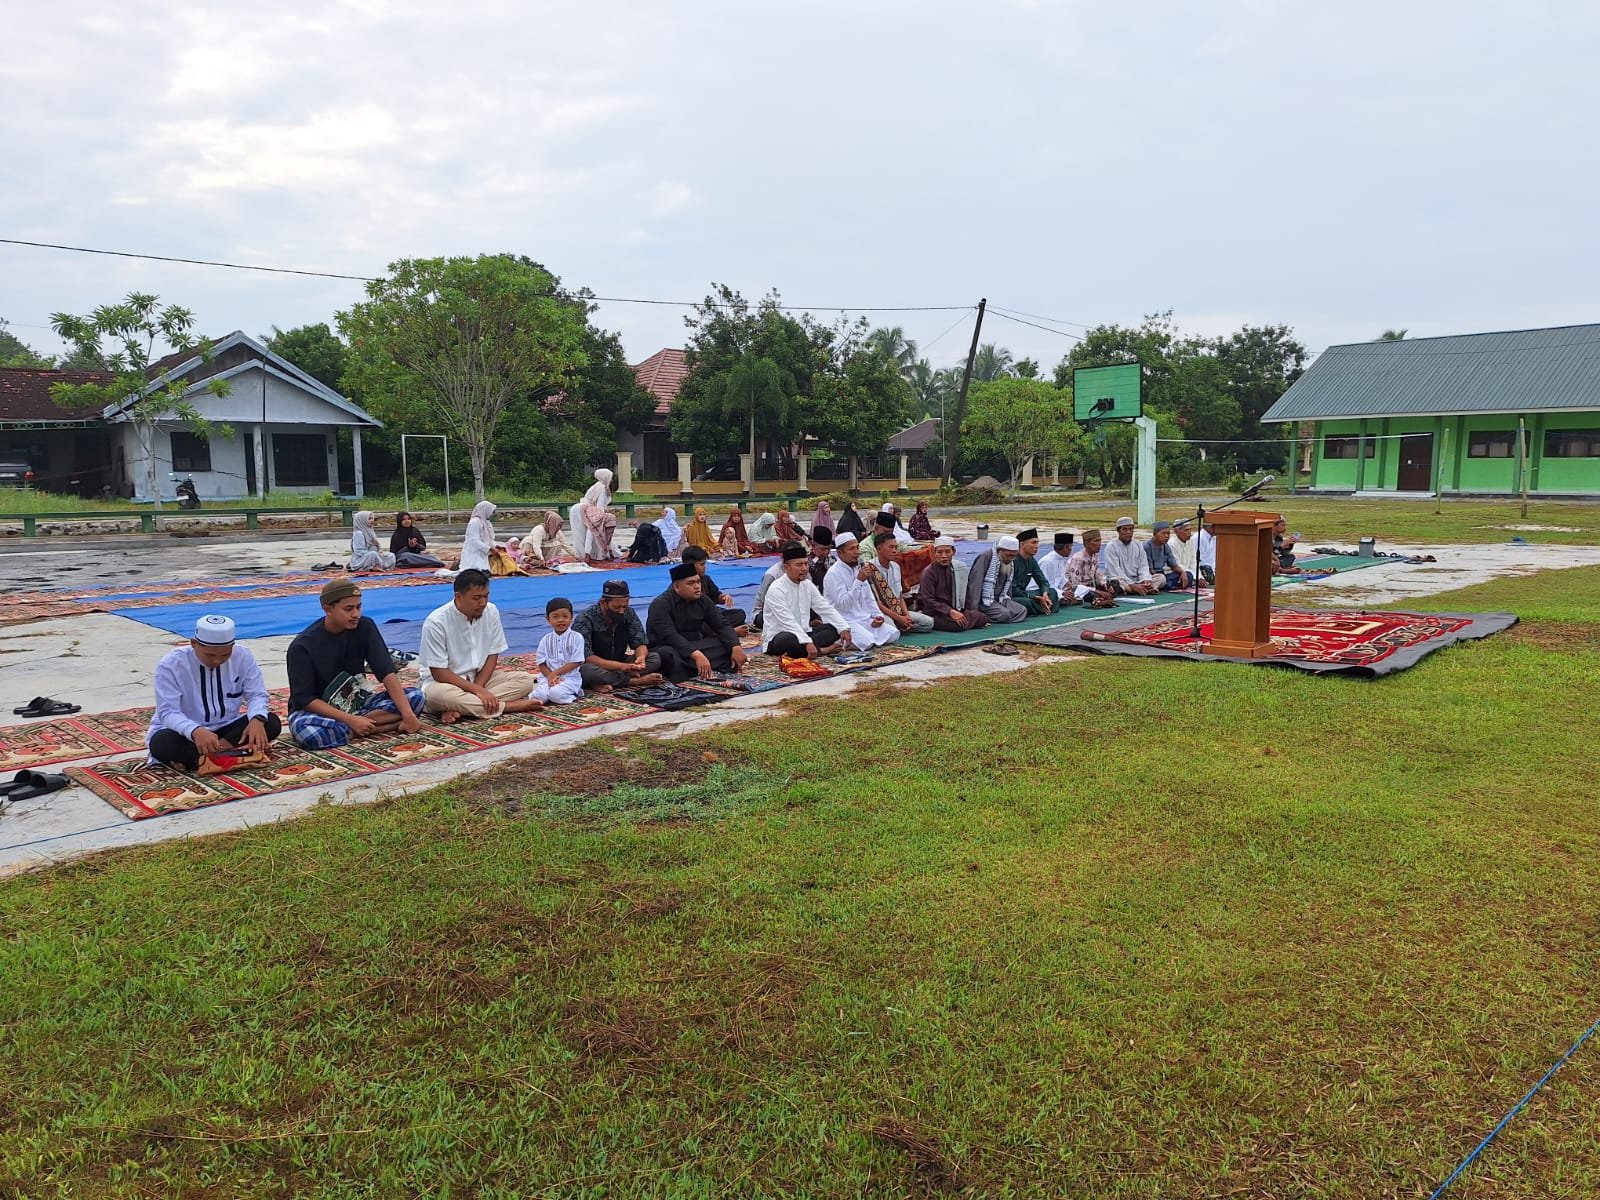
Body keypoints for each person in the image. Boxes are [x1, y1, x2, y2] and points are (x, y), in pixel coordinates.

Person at [286, 579, 425, 749]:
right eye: (349, 609)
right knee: (307, 732)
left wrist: (408, 715)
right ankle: (376, 727)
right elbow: (304, 699)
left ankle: (355, 729)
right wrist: (350, 720)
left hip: (358, 704)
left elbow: (386, 671)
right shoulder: (302, 646)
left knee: (416, 697)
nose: (356, 614)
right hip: (321, 712)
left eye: (358, 607)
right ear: (328, 609)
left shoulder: (364, 626)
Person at [147, 614, 280, 770]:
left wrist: (256, 720)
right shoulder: (171, 664)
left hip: (226, 731)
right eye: (210, 655)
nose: (217, 661)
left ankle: (210, 758)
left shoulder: (243, 656)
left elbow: (256, 694)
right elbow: (168, 712)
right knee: (161, 743)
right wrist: (195, 731)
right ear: (194, 644)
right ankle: (237, 754)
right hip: (187, 734)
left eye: (225, 655)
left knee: (270, 722)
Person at [416, 569, 540, 720]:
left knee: (526, 680)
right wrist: (476, 690)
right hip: (443, 684)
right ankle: (506, 707)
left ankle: (464, 707)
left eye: (486, 596)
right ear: (458, 597)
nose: (482, 603)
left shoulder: (491, 611)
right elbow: (439, 672)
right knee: (439, 695)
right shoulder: (436, 622)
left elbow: (493, 654)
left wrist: (478, 688)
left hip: (479, 678)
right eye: (476, 598)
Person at [646, 562, 748, 681]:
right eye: (691, 583)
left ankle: (693, 669)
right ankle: (695, 668)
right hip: (671, 647)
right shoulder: (660, 604)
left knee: (725, 644)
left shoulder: (702, 599)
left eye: (698, 582)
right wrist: (696, 655)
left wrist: (735, 646)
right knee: (666, 655)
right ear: (677, 587)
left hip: (697, 645)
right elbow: (670, 636)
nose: (697, 586)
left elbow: (721, 625)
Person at [762, 543, 852, 658]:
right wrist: (807, 642)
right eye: (799, 565)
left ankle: (801, 651)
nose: (804, 568)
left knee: (834, 628)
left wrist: (843, 627)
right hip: (780, 636)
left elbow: (824, 607)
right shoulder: (776, 589)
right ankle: (822, 650)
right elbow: (787, 621)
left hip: (805, 633)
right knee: (788, 639)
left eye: (805, 564)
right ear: (786, 568)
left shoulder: (807, 584)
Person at [574, 579, 664, 690]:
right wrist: (622, 667)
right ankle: (634, 681)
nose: (621, 611)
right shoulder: (585, 618)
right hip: (597, 665)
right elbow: (587, 657)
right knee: (586, 671)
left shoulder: (629, 613)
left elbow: (640, 642)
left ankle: (607, 680)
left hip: (620, 661)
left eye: (624, 607)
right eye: (616, 607)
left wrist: (641, 658)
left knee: (655, 658)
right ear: (603, 602)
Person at [824, 532, 899, 647]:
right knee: (867, 642)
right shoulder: (834, 574)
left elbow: (869, 598)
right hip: (844, 620)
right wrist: (859, 581)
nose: (857, 552)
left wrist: (878, 616)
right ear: (840, 553)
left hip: (863, 618)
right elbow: (844, 605)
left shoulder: (858, 568)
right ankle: (838, 640)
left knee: (893, 634)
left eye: (857, 547)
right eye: (852, 549)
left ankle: (858, 638)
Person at [917, 536, 988, 632]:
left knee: (982, 618)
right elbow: (928, 600)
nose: (944, 556)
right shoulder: (929, 572)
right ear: (934, 553)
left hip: (955, 609)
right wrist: (949, 611)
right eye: (940, 552)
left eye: (947, 551)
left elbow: (965, 592)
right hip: (936, 612)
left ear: (953, 552)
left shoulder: (958, 568)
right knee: (956, 626)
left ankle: (964, 622)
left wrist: (965, 610)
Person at [869, 531, 935, 633]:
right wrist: (899, 618)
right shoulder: (870, 569)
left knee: (929, 623)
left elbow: (899, 597)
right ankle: (897, 628)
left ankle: (903, 627)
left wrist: (906, 617)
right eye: (891, 547)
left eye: (895, 547)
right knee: (891, 630)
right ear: (879, 549)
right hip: (881, 613)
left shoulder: (896, 567)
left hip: (897, 610)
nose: (895, 551)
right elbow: (876, 604)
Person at [532, 598, 586, 704]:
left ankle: (572, 696)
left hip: (569, 678)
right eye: (555, 617)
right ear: (548, 619)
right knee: (540, 696)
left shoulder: (577, 637)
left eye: (565, 616)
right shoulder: (545, 639)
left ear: (571, 617)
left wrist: (555, 674)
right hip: (548, 677)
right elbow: (541, 663)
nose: (560, 620)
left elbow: (576, 662)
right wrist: (550, 676)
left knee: (555, 694)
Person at [682, 544, 747, 628]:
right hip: (695, 617)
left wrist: (723, 597)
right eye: (702, 564)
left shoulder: (705, 579)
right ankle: (723, 629)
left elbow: (715, 596)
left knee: (740, 614)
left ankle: (720, 627)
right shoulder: (682, 583)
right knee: (701, 625)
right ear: (690, 565)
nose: (705, 567)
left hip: (711, 613)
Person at [966, 535, 1028, 624]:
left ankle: (998, 617)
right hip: (984, 601)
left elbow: (1007, 587)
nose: (1010, 559)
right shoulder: (985, 557)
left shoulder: (1009, 563)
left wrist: (1008, 601)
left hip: (1000, 599)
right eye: (1008, 555)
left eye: (1013, 556)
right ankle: (984, 617)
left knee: (1022, 610)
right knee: (1004, 614)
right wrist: (974, 611)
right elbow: (975, 584)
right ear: (1000, 550)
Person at [1104, 517, 1162, 595]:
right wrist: (1132, 585)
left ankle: (1142, 588)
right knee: (1116, 583)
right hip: (1122, 580)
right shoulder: (1112, 546)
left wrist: (1145, 579)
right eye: (1125, 529)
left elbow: (1143, 565)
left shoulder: (1138, 544)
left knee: (1161, 578)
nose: (1128, 532)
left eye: (1131, 529)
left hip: (1137, 580)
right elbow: (1115, 571)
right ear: (1118, 531)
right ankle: (1146, 589)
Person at [1009, 527, 1059, 615]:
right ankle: (1044, 607)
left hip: (1025, 594)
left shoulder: (1031, 560)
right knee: (1026, 603)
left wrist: (1045, 594)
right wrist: (1035, 597)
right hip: (1013, 596)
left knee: (1052, 592)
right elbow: (1012, 589)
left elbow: (1043, 581)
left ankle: (1042, 605)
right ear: (1022, 544)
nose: (1036, 546)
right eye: (1033, 542)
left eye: (1037, 543)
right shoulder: (1012, 561)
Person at [1064, 530, 1117, 606]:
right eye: (1096, 541)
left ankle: (1103, 598)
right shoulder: (1078, 559)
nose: (1099, 544)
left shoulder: (1095, 556)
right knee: (1091, 594)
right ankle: (1100, 600)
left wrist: (1106, 585)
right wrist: (1097, 591)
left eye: (1100, 540)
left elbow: (1099, 576)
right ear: (1087, 543)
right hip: (1079, 590)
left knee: (1114, 584)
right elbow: (1076, 585)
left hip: (1091, 587)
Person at [571, 468, 614, 561]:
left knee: (584, 532)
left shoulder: (597, 486)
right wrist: (602, 515)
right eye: (610, 477)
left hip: (579, 508)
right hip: (586, 509)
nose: (611, 480)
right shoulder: (602, 488)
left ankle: (586, 553)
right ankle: (587, 554)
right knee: (593, 529)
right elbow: (599, 507)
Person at [1144, 520, 1192, 590]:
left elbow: (1174, 566)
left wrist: (1183, 572)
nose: (1166, 536)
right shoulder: (1147, 547)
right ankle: (1166, 586)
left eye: (1168, 533)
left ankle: (1168, 585)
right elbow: (1150, 570)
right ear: (1154, 534)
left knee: (1188, 575)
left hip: (1163, 575)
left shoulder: (1165, 546)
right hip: (1152, 576)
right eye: (1163, 533)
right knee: (1161, 579)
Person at [459, 500, 498, 573]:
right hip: (473, 553)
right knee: (476, 572)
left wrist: (496, 546)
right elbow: (474, 541)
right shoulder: (474, 522)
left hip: (483, 553)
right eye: (492, 512)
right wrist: (489, 549)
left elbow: (490, 540)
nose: (493, 514)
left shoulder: (487, 523)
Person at [1038, 531, 1076, 598]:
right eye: (1070, 547)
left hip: (1056, 590)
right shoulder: (1048, 561)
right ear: (1066, 547)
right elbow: (1046, 586)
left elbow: (1059, 578)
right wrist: (1062, 593)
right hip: (1041, 592)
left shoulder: (1062, 559)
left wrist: (1066, 583)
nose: (1071, 550)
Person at [1197, 519, 1217, 584]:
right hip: (1204, 571)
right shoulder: (1199, 537)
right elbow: (1200, 561)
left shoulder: (1214, 537)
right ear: (1211, 527)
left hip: (1213, 570)